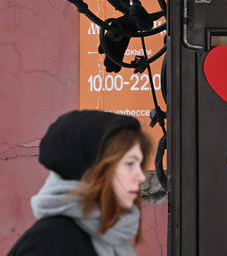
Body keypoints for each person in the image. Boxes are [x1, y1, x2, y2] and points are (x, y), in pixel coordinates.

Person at [8, 110, 153, 256]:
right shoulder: (52, 243)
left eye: (139, 165)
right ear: (92, 169)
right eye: (129, 164)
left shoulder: (108, 239)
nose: (141, 177)